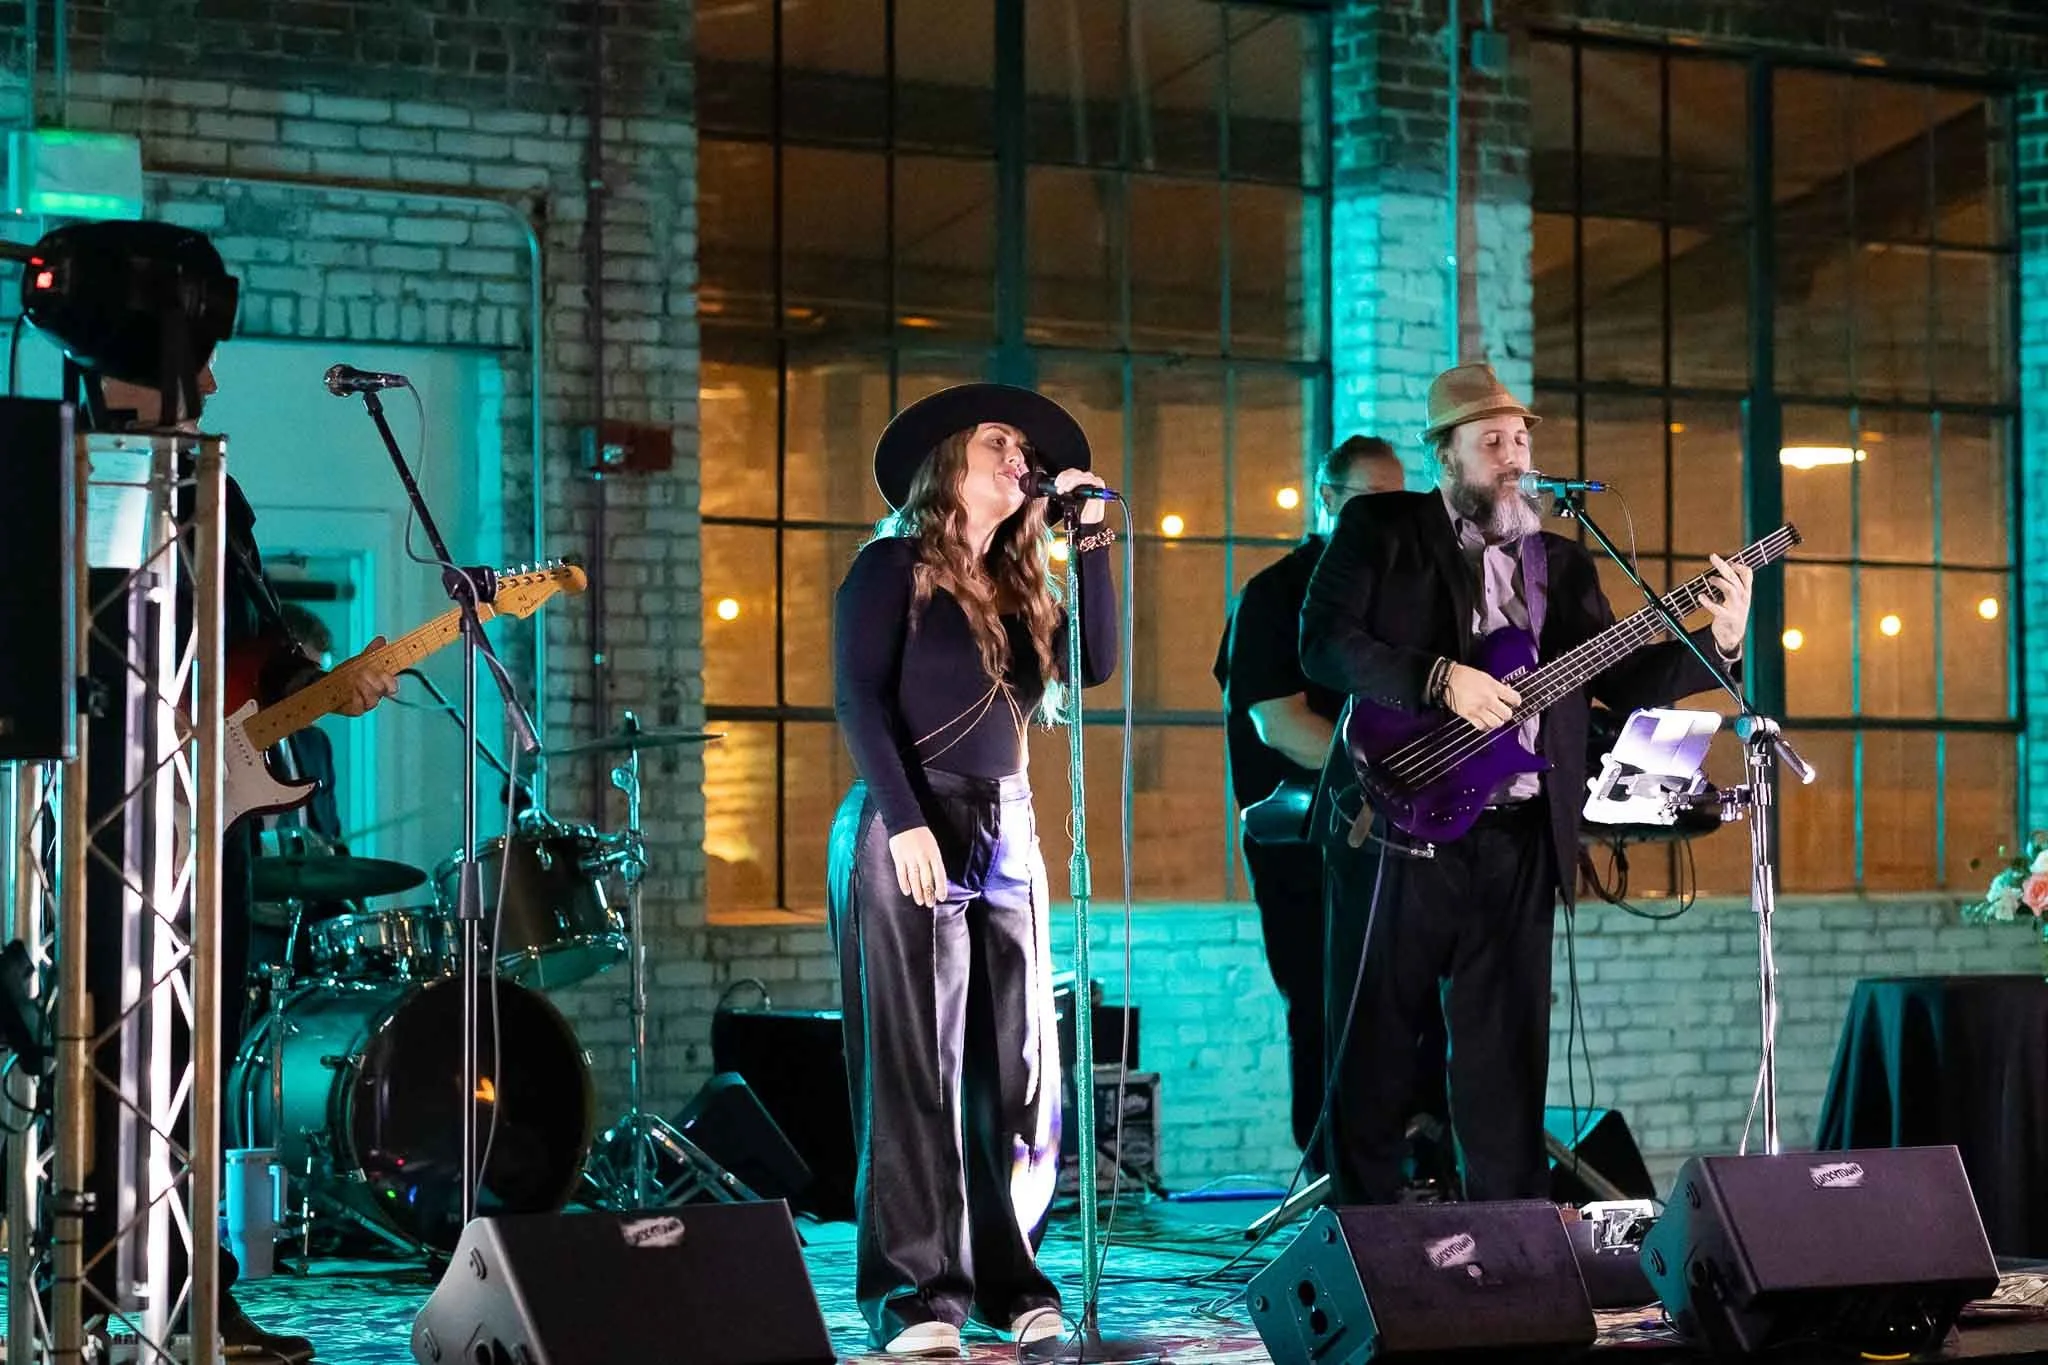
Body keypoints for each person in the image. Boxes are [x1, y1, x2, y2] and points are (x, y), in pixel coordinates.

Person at [1299, 362, 1752, 1206]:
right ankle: (1362, 1244)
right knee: (1375, 1049)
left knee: (1506, 1060)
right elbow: (1324, 645)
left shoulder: (1563, 564)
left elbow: (1623, 679)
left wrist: (1718, 643)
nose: (1516, 456)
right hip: (1394, 824)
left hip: (1516, 838)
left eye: (1522, 439)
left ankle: (1511, 1255)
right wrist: (1440, 679)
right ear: (1447, 457)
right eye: (1493, 441)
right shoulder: (1380, 529)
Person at [84, 233, 397, 1362]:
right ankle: (98, 1273)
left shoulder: (219, 488)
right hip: (99, 816)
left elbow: (253, 649)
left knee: (193, 1054)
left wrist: (327, 690)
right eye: (199, 358)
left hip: (198, 826)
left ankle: (188, 1284)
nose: (212, 379)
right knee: (105, 1056)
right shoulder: (70, 477)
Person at [828, 383, 1118, 1355]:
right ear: (948, 460)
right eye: (998, 439)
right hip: (910, 816)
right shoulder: (890, 568)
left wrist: (1090, 538)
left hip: (1008, 827)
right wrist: (904, 822)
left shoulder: (1016, 581)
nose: (1016, 454)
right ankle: (917, 1295)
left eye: (1023, 448)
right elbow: (859, 701)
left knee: (1019, 1066)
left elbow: (1098, 665)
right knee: (919, 1065)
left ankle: (1008, 1277)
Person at [1212, 435, 1401, 1165]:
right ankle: (1329, 1170)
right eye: (1369, 503)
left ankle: (1404, 1160)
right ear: (1327, 499)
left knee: (1399, 1002)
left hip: (1388, 832)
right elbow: (1278, 720)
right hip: (1303, 841)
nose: (1387, 520)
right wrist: (1395, 776)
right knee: (1323, 1001)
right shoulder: (1273, 594)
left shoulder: (1390, 600)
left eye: (1398, 505)